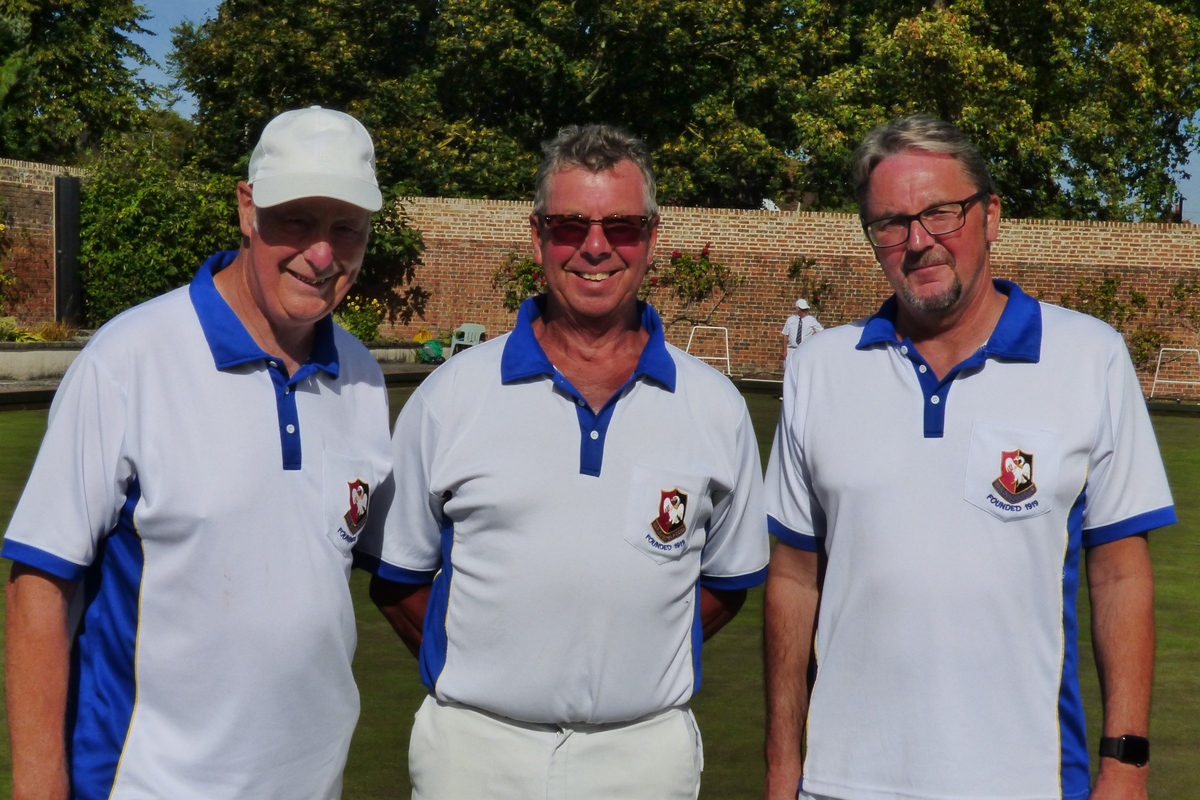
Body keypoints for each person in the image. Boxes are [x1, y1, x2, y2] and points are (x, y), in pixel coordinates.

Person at [762, 114, 1176, 800]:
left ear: (990, 215)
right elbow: (793, 582)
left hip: (1030, 781)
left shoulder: (1088, 356)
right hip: (843, 783)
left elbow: (1120, 577)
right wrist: (782, 771)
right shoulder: (820, 369)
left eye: (940, 213)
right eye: (890, 223)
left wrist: (1125, 763)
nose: (917, 241)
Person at [366, 124, 769, 799]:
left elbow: (726, 583)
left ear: (652, 236)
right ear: (536, 235)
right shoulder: (453, 394)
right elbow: (397, 577)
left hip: (646, 754)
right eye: (569, 224)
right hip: (473, 752)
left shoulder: (715, 405)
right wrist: (491, 674)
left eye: (622, 226)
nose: (595, 246)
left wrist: (632, 665)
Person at [3, 106, 392, 799]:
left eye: (346, 229)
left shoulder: (361, 377)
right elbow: (39, 586)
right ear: (248, 208)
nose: (322, 253)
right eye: (298, 219)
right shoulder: (129, 361)